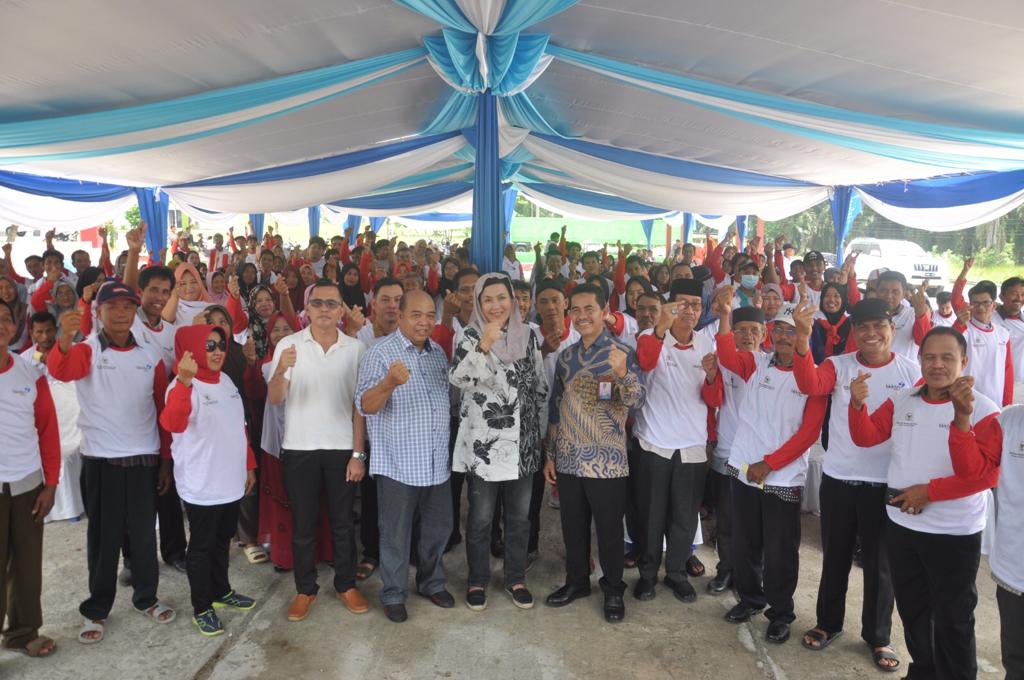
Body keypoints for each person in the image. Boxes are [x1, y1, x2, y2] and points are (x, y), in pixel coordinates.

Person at [849, 327, 1000, 680]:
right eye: (930, 357)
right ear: (920, 360)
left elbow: (984, 475)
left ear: (964, 361)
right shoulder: (903, 399)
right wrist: (857, 405)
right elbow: (867, 436)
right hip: (903, 525)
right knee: (914, 609)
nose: (937, 365)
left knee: (954, 617)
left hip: (954, 531)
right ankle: (923, 671)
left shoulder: (985, 410)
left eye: (947, 357)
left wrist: (929, 492)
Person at [792, 298, 921, 672]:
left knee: (881, 565)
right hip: (841, 477)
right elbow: (809, 383)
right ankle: (828, 623)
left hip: (887, 483)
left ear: (892, 330)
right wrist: (803, 339)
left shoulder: (911, 371)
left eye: (878, 325)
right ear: (853, 333)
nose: (870, 333)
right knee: (835, 557)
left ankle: (878, 635)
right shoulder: (838, 365)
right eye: (862, 327)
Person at [47, 282, 176, 644]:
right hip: (101, 461)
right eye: (112, 306)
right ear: (98, 312)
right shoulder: (86, 350)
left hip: (143, 460)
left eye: (127, 307)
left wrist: (165, 461)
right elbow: (60, 370)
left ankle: (146, 597)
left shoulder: (149, 356)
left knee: (143, 537)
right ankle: (97, 608)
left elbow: (161, 410)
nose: (121, 313)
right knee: (102, 541)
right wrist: (63, 338)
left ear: (135, 312)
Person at [714, 288, 827, 644]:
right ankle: (750, 599)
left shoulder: (816, 378)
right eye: (778, 329)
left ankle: (781, 612)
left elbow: (808, 433)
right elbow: (727, 356)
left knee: (780, 550)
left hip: (781, 476)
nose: (782, 336)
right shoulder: (756, 362)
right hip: (744, 468)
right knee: (746, 542)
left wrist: (770, 463)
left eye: (792, 330)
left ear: (804, 335)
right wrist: (723, 316)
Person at [267, 279, 368, 622]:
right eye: (318, 303)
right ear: (306, 309)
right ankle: (305, 589)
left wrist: (358, 454)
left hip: (341, 449)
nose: (324, 309)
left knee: (342, 524)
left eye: (331, 303)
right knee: (304, 526)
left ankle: (346, 583)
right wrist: (281, 370)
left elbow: (360, 407)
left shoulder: (355, 349)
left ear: (342, 310)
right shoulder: (289, 345)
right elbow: (276, 398)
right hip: (299, 448)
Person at [544, 283, 646, 623]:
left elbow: (637, 402)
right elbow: (556, 408)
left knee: (609, 531)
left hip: (608, 461)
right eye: (576, 310)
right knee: (572, 526)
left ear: (605, 311)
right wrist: (551, 454)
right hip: (570, 458)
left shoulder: (622, 352)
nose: (582, 316)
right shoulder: (566, 357)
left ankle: (614, 589)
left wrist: (621, 373)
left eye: (589, 309)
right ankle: (577, 582)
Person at [450, 273, 548, 611]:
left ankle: (515, 577)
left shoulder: (528, 336)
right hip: (484, 446)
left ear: (513, 300)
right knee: (480, 518)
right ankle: (477, 579)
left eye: (501, 298)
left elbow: (539, 385)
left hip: (522, 444)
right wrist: (485, 345)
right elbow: (460, 378)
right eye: (487, 299)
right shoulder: (469, 336)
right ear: (478, 303)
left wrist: (538, 434)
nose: (496, 306)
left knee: (520, 518)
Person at [356, 290, 454, 623]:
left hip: (437, 463)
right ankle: (394, 593)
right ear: (400, 315)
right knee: (395, 534)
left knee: (438, 529)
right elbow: (365, 406)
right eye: (416, 314)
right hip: (398, 464)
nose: (425, 322)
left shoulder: (438, 353)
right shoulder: (380, 353)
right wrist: (388, 384)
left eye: (430, 315)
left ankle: (431, 582)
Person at [160, 325, 258, 636]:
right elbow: (172, 423)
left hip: (230, 480)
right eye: (209, 345)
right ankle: (202, 606)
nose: (217, 351)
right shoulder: (181, 385)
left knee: (222, 542)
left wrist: (249, 466)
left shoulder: (226, 380)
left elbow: (238, 427)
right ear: (191, 349)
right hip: (202, 485)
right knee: (200, 548)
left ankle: (221, 591)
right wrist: (186, 381)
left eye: (221, 345)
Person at [632, 279, 723, 603]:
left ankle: (676, 574)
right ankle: (647, 575)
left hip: (693, 446)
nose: (689, 311)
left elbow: (713, 399)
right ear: (670, 306)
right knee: (651, 516)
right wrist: (661, 328)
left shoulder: (705, 345)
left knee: (684, 517)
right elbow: (644, 363)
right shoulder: (650, 336)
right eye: (682, 304)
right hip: (654, 443)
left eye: (695, 305)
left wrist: (712, 377)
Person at [946, 399, 1024, 679]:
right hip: (1015, 569)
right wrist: (962, 421)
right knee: (1016, 661)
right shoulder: (1009, 421)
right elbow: (973, 472)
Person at [0, 300, 59, 658]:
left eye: (6, 319)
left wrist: (50, 484)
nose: (1, 324)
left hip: (26, 485)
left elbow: (47, 432)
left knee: (26, 566)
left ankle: (22, 632)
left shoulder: (30, 373)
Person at [707, 306, 765, 595]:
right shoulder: (724, 362)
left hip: (757, 459)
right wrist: (711, 374)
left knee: (755, 521)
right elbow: (712, 397)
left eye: (754, 330)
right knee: (727, 519)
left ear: (764, 334)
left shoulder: (770, 364)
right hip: (727, 452)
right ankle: (726, 569)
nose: (747, 335)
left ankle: (753, 574)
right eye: (740, 330)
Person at [352, 276, 405, 581]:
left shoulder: (412, 335)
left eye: (398, 299)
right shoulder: (360, 339)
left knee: (407, 500)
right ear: (374, 304)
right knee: (372, 499)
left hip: (405, 435)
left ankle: (405, 550)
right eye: (385, 299)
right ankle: (372, 552)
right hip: (373, 436)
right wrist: (359, 450)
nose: (392, 305)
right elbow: (357, 399)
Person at [21, 311, 84, 523]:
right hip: (41, 419)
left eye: (49, 330)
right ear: (32, 333)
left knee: (72, 453)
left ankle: (75, 506)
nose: (46, 336)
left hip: (69, 417)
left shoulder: (68, 351)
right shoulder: (24, 360)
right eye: (40, 332)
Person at [949, 271, 1013, 406]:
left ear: (994, 305)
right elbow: (949, 345)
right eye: (976, 303)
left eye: (986, 303)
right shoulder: (964, 329)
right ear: (970, 305)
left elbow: (1007, 370)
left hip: (995, 401)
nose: (980, 307)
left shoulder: (1003, 334)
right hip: (968, 401)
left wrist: (1007, 402)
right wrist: (959, 324)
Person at [874, 271, 933, 363]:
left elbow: (924, 343)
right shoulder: (867, 315)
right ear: (876, 291)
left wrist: (921, 316)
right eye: (884, 290)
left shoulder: (913, 314)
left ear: (904, 294)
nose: (889, 296)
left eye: (895, 292)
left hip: (906, 373)